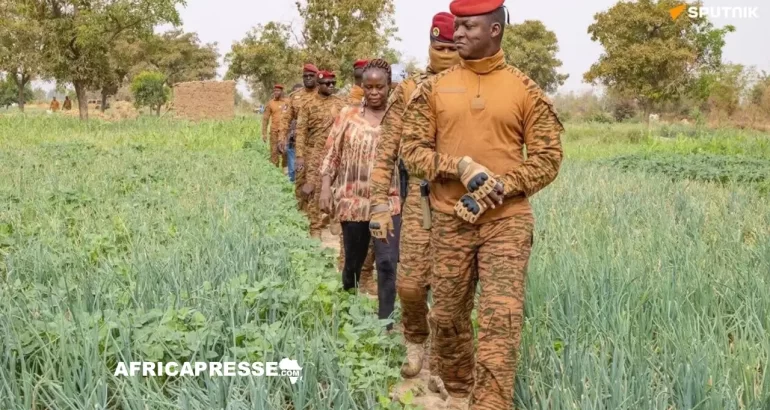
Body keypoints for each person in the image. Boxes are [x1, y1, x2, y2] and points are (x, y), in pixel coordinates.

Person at [391, 1, 565, 408]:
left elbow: (548, 157)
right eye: (457, 26)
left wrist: (503, 184)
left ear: (494, 30)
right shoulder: (435, 88)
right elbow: (411, 152)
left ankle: (491, 402)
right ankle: (459, 387)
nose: (458, 34)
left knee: (500, 320)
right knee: (448, 318)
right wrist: (459, 167)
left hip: (507, 220)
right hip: (451, 220)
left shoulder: (524, 89)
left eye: (468, 27)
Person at [368, 11, 459, 399]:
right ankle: (415, 339)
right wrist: (377, 204)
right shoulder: (408, 91)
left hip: (461, 202)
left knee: (451, 292)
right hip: (420, 197)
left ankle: (442, 364)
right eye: (441, 48)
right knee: (409, 284)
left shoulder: (472, 86)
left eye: (454, 48)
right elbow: (386, 151)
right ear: (429, 45)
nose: (448, 55)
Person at [319, 59, 401, 330]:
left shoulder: (399, 118)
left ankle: (386, 326)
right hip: (353, 200)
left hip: (387, 202)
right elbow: (333, 153)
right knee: (353, 264)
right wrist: (325, 188)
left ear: (389, 86)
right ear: (362, 87)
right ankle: (347, 311)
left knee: (388, 264)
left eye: (380, 87)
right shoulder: (347, 115)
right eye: (369, 87)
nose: (375, 92)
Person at [295, 70, 346, 239]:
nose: (331, 86)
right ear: (319, 84)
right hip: (314, 153)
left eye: (333, 83)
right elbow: (301, 132)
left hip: (337, 152)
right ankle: (315, 228)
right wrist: (300, 156)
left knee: (339, 188)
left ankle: (334, 216)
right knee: (315, 190)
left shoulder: (341, 104)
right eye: (327, 83)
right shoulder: (308, 105)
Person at [282, 64, 320, 206]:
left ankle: (318, 213)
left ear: (317, 77)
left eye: (311, 76)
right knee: (300, 178)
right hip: (301, 146)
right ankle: (301, 212)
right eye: (305, 76)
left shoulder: (324, 95)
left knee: (319, 179)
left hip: (320, 145)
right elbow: (285, 119)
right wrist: (282, 138)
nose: (308, 78)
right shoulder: (295, 97)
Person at [262, 84, 289, 168]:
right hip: (274, 132)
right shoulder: (270, 103)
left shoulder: (287, 102)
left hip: (285, 132)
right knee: (274, 153)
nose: (276, 92)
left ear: (282, 91)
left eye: (278, 91)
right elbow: (265, 119)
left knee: (285, 153)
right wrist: (264, 133)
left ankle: (285, 173)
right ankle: (274, 172)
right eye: (274, 91)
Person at [281, 84, 304, 183]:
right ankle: (291, 183)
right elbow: (285, 121)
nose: (298, 95)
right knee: (291, 161)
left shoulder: (308, 104)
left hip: (304, 140)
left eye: (300, 92)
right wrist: (284, 138)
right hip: (292, 138)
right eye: (296, 92)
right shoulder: (288, 105)